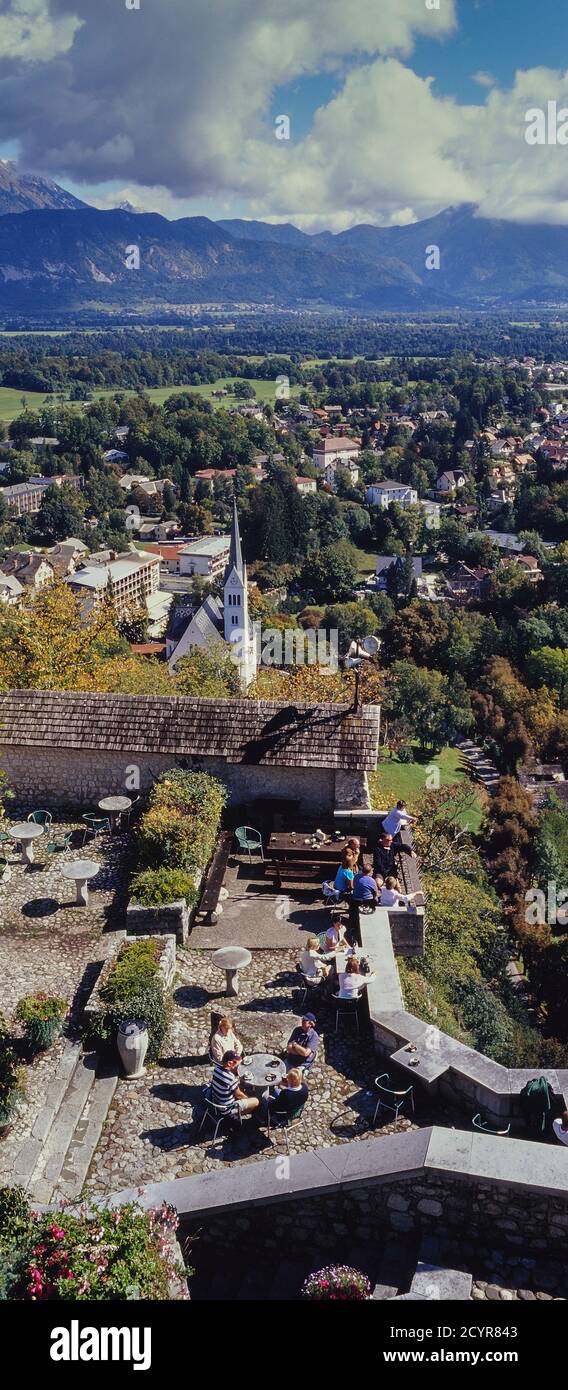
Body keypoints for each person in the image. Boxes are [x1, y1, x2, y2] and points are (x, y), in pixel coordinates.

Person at [210, 1050, 259, 1118]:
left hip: (217, 1100)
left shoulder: (216, 1069)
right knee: (256, 1101)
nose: (239, 1067)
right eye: (237, 1065)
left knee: (240, 1087)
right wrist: (249, 1099)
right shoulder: (231, 1079)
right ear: (230, 1063)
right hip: (227, 1109)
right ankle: (235, 1115)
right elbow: (239, 1096)